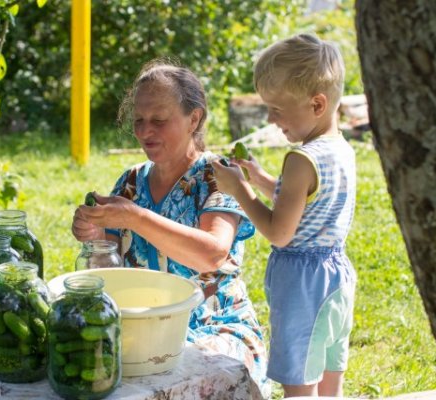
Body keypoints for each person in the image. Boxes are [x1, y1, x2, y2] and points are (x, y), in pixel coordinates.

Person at [72, 59, 270, 398]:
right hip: (140, 330)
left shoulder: (219, 176)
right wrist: (94, 236)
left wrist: (135, 218)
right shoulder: (132, 181)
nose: (145, 131)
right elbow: (108, 269)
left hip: (214, 327)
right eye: (139, 120)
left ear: (194, 118)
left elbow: (212, 253)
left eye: (159, 120)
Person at [213, 33, 357, 397]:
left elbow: (280, 233)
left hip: (302, 285)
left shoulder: (299, 159)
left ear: (317, 104)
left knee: (299, 386)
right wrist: (261, 178)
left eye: (277, 109)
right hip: (336, 277)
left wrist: (240, 190)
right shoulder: (340, 149)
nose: (271, 119)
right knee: (328, 380)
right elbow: (308, 200)